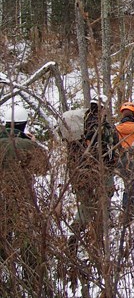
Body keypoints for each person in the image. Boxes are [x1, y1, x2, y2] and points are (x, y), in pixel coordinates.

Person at [0, 105, 49, 293]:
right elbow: (43, 167)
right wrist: (33, 144)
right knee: (26, 240)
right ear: (24, 124)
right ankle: (31, 282)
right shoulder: (26, 145)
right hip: (19, 201)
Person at [68, 93, 117, 250]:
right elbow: (111, 146)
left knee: (86, 203)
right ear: (102, 108)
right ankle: (93, 238)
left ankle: (78, 234)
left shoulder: (81, 123)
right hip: (99, 169)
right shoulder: (100, 126)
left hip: (78, 169)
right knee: (101, 199)